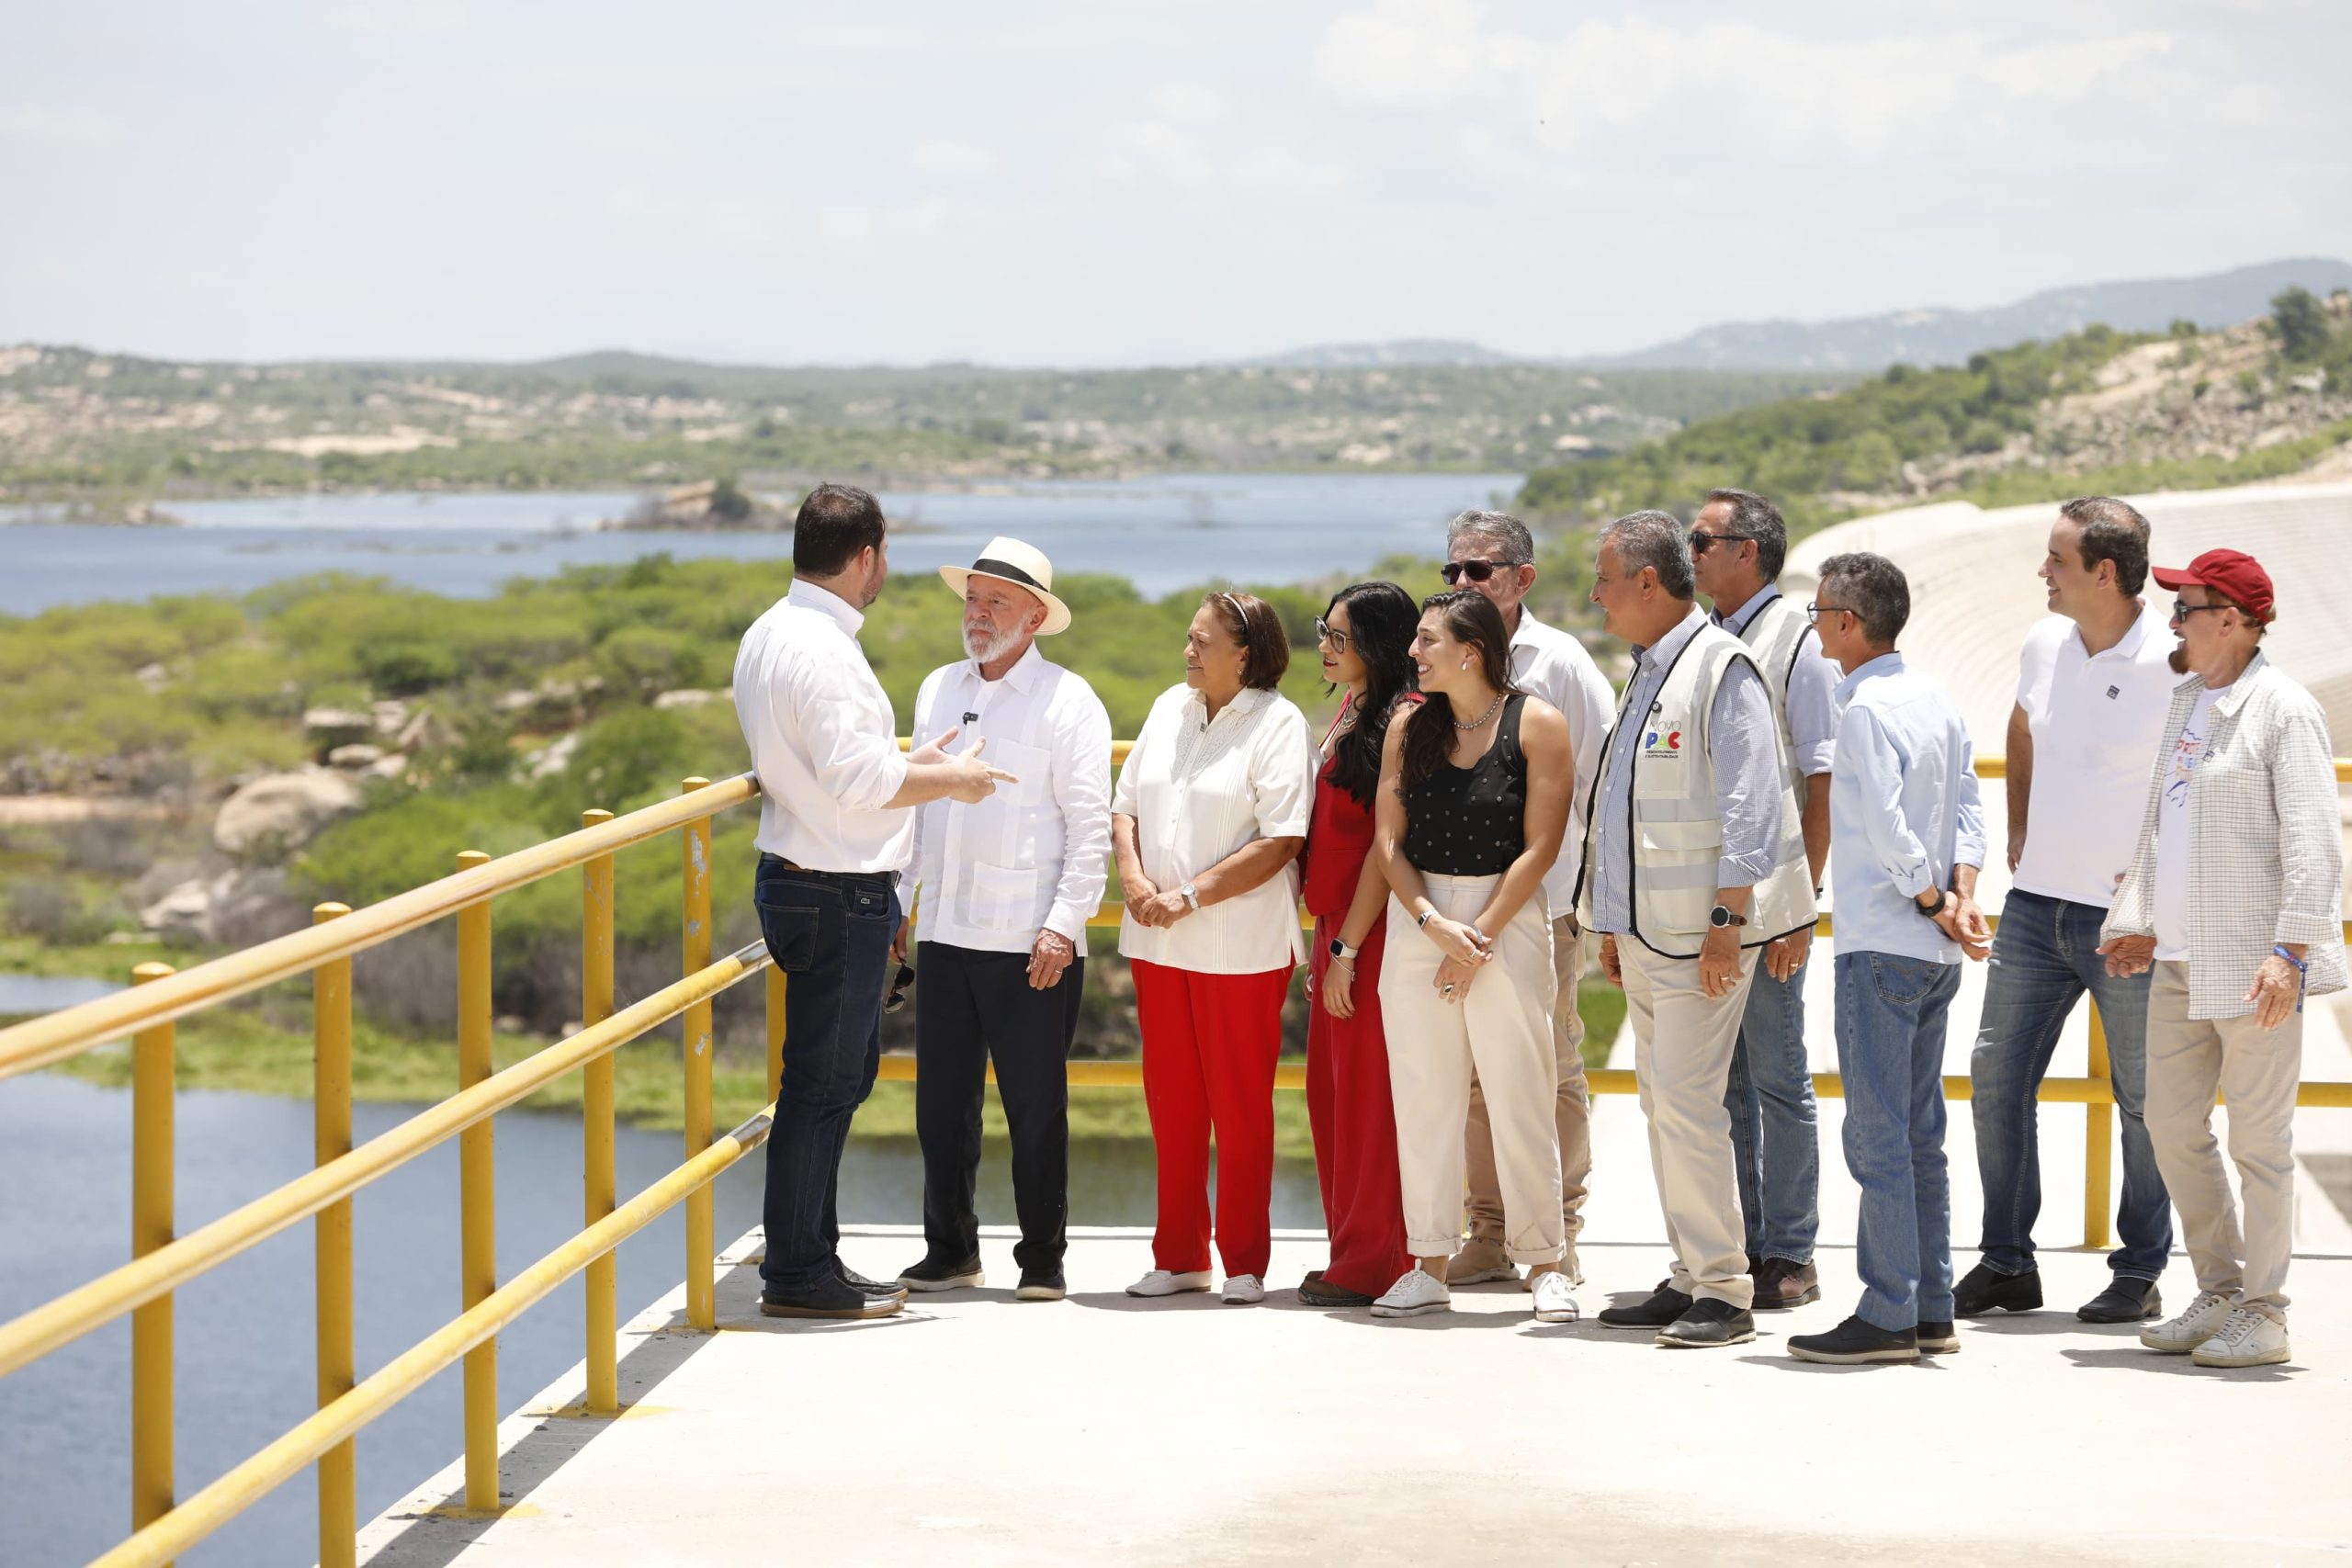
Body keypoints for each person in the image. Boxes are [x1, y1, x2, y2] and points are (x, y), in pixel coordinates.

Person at [732, 482, 1015, 1320]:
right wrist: (952, 779)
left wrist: (913, 762)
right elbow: (858, 781)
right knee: (824, 1082)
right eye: (884, 554)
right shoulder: (822, 648)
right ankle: (797, 1270)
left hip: (802, 872)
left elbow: (830, 764)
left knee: (827, 1077)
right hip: (834, 886)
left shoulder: (771, 632)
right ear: (867, 556)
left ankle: (809, 1253)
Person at [2099, 549, 2345, 1370]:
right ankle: (2220, 1288)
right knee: (2170, 1126)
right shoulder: (2188, 703)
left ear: (2231, 619)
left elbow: (2316, 842)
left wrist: (2291, 952)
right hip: (2178, 959)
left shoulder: (2284, 709)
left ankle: (2266, 1312)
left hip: (2254, 965)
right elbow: (2162, 828)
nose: (2173, 621)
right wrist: (2139, 918)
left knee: (2258, 1143)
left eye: (2187, 607)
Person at [1579, 511, 1815, 1349]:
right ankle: (1691, 1273)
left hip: (1701, 940)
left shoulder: (1722, 668)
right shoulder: (1647, 669)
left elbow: (1752, 804)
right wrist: (1611, 920)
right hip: (1649, 934)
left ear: (1649, 582)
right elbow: (1623, 808)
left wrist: (1727, 921)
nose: (1598, 597)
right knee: (1663, 1106)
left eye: (1606, 580)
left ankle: (1723, 1288)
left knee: (1689, 1106)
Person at [1962, 497, 2177, 1325]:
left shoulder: (2174, 659)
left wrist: (2155, 894)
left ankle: (2140, 1269)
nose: (2041, 572)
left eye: (2056, 559)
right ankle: (2008, 1262)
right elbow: (2022, 726)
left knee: (2144, 1099)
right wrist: (2020, 820)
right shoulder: (2043, 640)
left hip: (2128, 920)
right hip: (2034, 907)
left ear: (2106, 573)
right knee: (1997, 1079)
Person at [1786, 553, 1993, 1364]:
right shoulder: (1934, 697)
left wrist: (1932, 897)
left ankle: (1888, 1310)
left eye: (1819, 610)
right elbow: (1969, 805)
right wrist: (1961, 893)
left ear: (1847, 620)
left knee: (1877, 1137)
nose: (1814, 622)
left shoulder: (1865, 708)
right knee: (1918, 1135)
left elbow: (1885, 830)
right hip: (1931, 951)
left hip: (1883, 941)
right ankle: (1931, 1303)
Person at [898, 538, 1113, 1304]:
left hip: (1030, 940)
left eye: (995, 602)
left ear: (1034, 616)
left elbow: (1090, 829)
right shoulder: (936, 687)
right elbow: (919, 806)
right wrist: (901, 901)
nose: (978, 614)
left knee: (1034, 1109)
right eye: (972, 598)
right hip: (945, 928)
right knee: (940, 1108)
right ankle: (950, 1250)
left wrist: (1063, 925)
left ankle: (1042, 1259)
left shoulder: (1069, 700)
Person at [1369, 590, 1580, 1325]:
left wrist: (1478, 935)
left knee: (1522, 1091)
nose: (1413, 652)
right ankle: (1427, 1262)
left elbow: (1542, 846)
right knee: (1423, 1096)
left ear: (1472, 649)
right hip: (1418, 921)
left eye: (1428, 641)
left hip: (1506, 920)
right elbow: (1388, 843)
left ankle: (1546, 1262)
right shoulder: (1407, 723)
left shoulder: (1538, 723)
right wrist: (1433, 925)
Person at [1112, 591, 1316, 1305]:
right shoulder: (1170, 705)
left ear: (1246, 653)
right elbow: (1125, 803)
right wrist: (1134, 877)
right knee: (1171, 1103)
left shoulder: (1278, 722)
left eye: (1204, 640)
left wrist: (1190, 895)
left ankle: (1245, 1263)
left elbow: (1283, 837)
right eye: (1189, 637)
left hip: (1238, 946)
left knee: (1240, 1107)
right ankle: (1178, 1256)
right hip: (1157, 941)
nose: (1189, 650)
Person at [1439, 510, 1615, 1289]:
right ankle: (1491, 1229)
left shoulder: (1563, 663)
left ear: (1522, 579)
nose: (1463, 585)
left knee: (1553, 1069)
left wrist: (1597, 903)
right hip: (1462, 911)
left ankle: (1561, 1230)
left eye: (1479, 571)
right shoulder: (1443, 656)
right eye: (1453, 572)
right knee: (1476, 1072)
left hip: (1546, 905)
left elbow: (1605, 790)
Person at [1690, 488, 1839, 1309]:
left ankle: (1789, 1249)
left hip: (1770, 906)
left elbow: (1820, 780)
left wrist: (1801, 906)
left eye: (1703, 538)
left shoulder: (1796, 643)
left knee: (1779, 1076)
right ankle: (1737, 1243)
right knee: (1724, 1082)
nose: (1692, 551)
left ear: (1748, 551)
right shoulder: (1708, 640)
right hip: (1715, 900)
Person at [1296, 581, 1419, 1309]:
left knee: (1370, 1100)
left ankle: (1375, 1259)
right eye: (1324, 632)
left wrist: (1345, 949)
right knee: (1332, 1097)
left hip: (1366, 936)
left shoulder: (1399, 719)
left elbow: (1384, 848)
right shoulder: (1354, 709)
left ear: (1378, 641)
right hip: (1334, 930)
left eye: (1339, 636)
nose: (1326, 647)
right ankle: (1350, 1247)